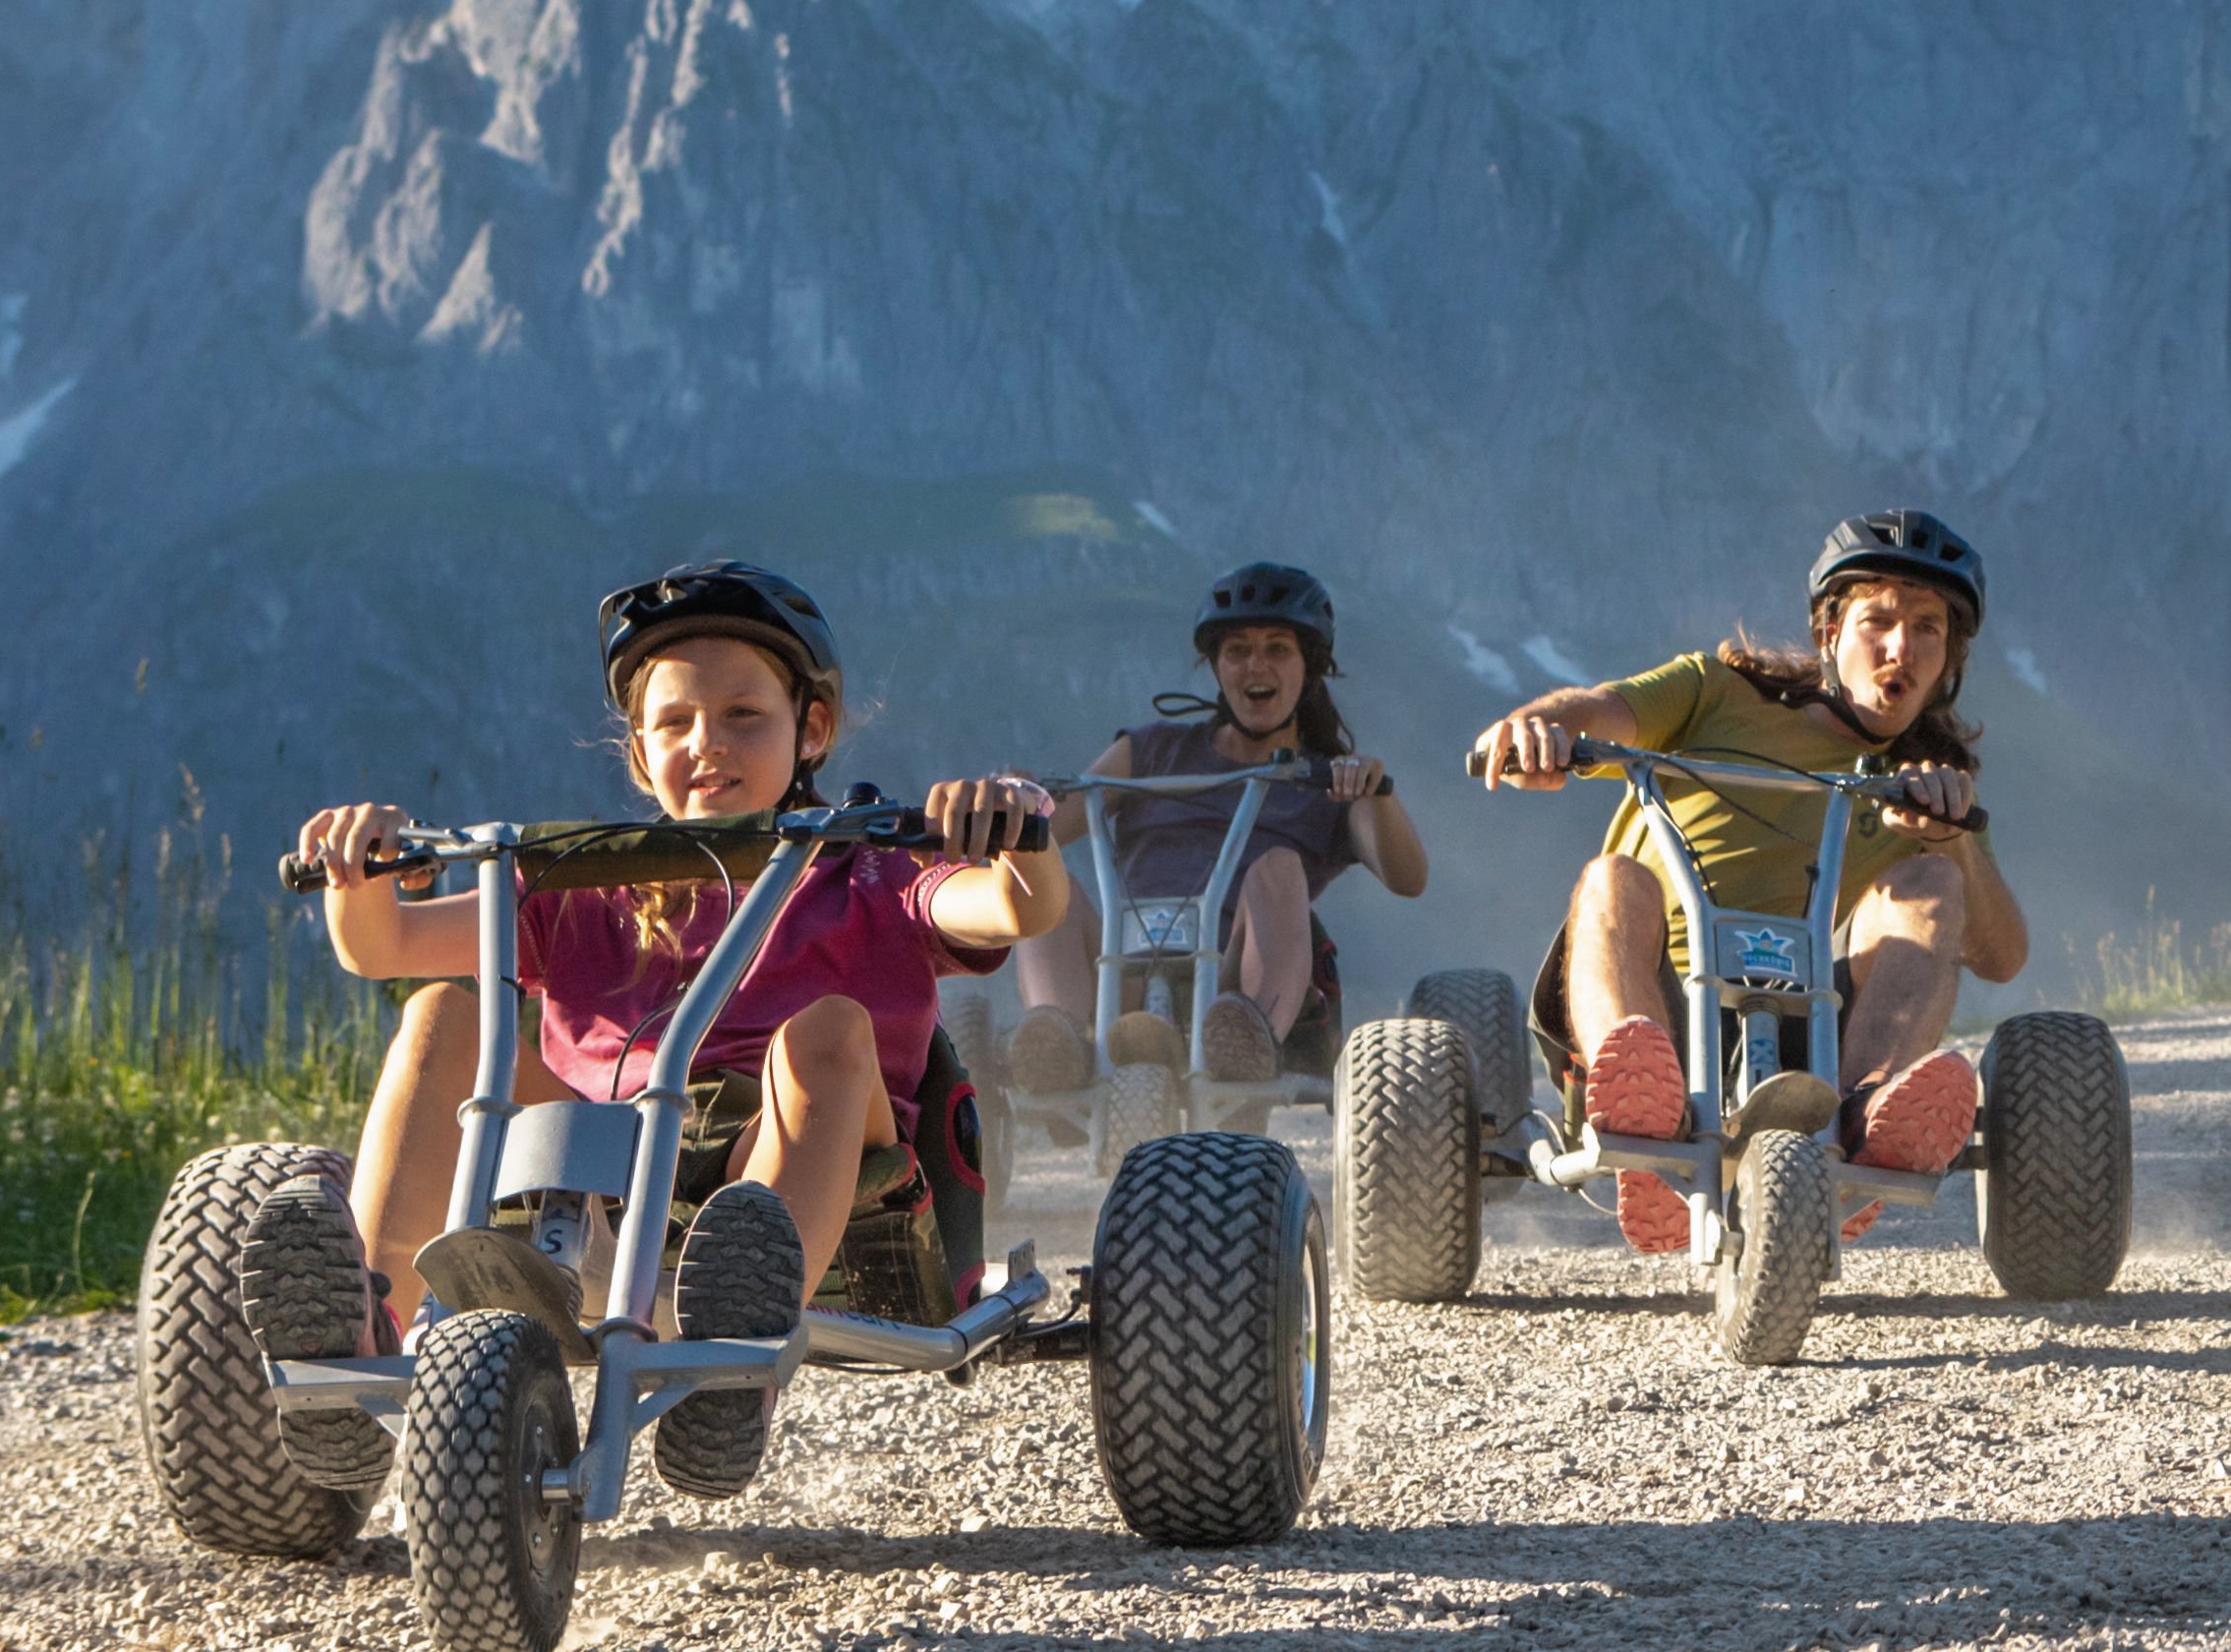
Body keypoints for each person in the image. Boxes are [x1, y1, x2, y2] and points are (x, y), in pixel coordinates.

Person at [280, 561, 1065, 1490]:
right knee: (443, 1012)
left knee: (828, 1031)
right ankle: (368, 1330)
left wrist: (1018, 837)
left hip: (776, 1164)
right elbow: (385, 947)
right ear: (641, 754)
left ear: (810, 730)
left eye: (744, 716)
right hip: (592, 1174)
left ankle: (732, 1355)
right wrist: (355, 873)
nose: (708, 744)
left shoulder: (871, 874)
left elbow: (1017, 911)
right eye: (676, 722)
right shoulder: (586, 884)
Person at [1469, 510, 2027, 1253]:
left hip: (1815, 1037)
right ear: (1829, 633)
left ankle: (1863, 1122)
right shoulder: (1715, 690)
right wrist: (1533, 729)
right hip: (1654, 997)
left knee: (1929, 881)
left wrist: (1951, 840)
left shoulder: (1917, 786)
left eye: (1928, 628)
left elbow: (2003, 955)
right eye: (1878, 621)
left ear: (1950, 655)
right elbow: (1598, 710)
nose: (1902, 648)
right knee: (1614, 878)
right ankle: (1644, 1112)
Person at [1006, 560, 1429, 1095]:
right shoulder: (1150, 749)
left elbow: (1408, 877)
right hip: (1123, 973)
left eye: (1277, 649)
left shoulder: (1326, 777)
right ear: (1217, 667)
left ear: (1310, 666)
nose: (1256, 666)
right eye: (1237, 651)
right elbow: (1049, 826)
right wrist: (1017, 804)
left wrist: (1374, 790)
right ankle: (1059, 1041)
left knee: (1277, 865)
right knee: (1046, 879)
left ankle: (1248, 1037)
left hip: (1235, 980)